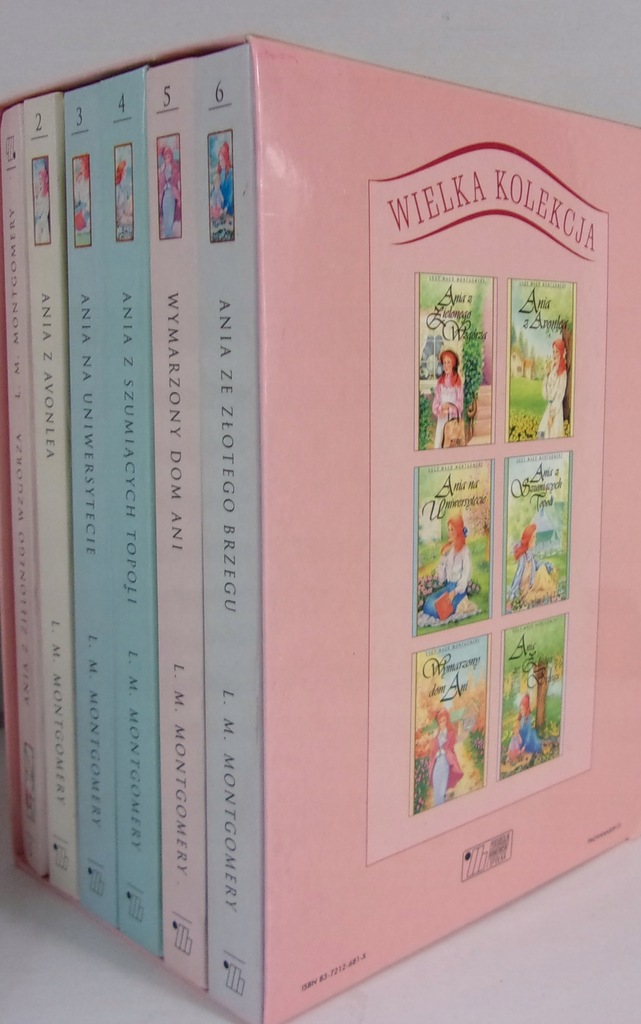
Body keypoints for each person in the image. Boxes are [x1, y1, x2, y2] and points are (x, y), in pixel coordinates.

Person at [422, 514, 471, 621]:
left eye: (452, 529)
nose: (449, 532)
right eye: (448, 530)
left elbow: (464, 578)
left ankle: (460, 605)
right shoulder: (450, 551)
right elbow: (441, 579)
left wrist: (454, 592)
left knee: (436, 609)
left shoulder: (465, 552)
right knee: (428, 603)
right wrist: (443, 556)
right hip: (448, 588)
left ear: (458, 530)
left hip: (458, 592)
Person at [507, 523, 557, 608]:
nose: (535, 539)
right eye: (534, 537)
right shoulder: (523, 558)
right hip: (526, 592)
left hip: (532, 586)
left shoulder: (530, 554)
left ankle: (551, 594)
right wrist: (511, 599)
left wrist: (550, 566)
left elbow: (537, 564)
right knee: (541, 591)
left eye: (535, 536)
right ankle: (551, 595)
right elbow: (517, 577)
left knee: (542, 568)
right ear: (529, 539)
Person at [428, 708, 463, 806]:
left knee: (443, 783)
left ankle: (440, 802)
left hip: (445, 761)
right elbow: (433, 750)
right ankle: (438, 802)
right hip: (437, 762)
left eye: (444, 720)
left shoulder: (450, 734)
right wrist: (434, 739)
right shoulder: (437, 735)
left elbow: (451, 747)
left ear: (447, 721)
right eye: (440, 721)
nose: (442, 723)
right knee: (436, 781)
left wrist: (444, 750)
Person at [432, 349, 463, 448]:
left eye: (449, 362)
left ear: (453, 364)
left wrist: (449, 409)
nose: (446, 365)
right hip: (442, 418)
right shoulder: (440, 381)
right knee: (439, 443)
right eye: (444, 363)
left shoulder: (457, 381)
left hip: (453, 419)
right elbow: (436, 401)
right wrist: (440, 409)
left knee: (450, 444)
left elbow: (460, 404)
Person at [538, 338, 567, 438]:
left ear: (561, 353)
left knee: (552, 435)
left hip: (556, 411)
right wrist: (547, 375)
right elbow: (545, 395)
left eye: (557, 352)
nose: (554, 354)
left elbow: (559, 395)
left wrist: (552, 415)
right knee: (541, 434)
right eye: (553, 352)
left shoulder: (563, 372)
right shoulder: (552, 369)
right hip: (549, 407)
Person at [158, 144, 181, 239]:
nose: (167, 159)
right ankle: (167, 232)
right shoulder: (162, 168)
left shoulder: (174, 168)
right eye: (165, 157)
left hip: (171, 192)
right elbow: (160, 183)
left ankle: (169, 233)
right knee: (165, 212)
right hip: (164, 193)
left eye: (168, 157)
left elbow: (177, 181)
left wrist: (178, 192)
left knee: (170, 213)